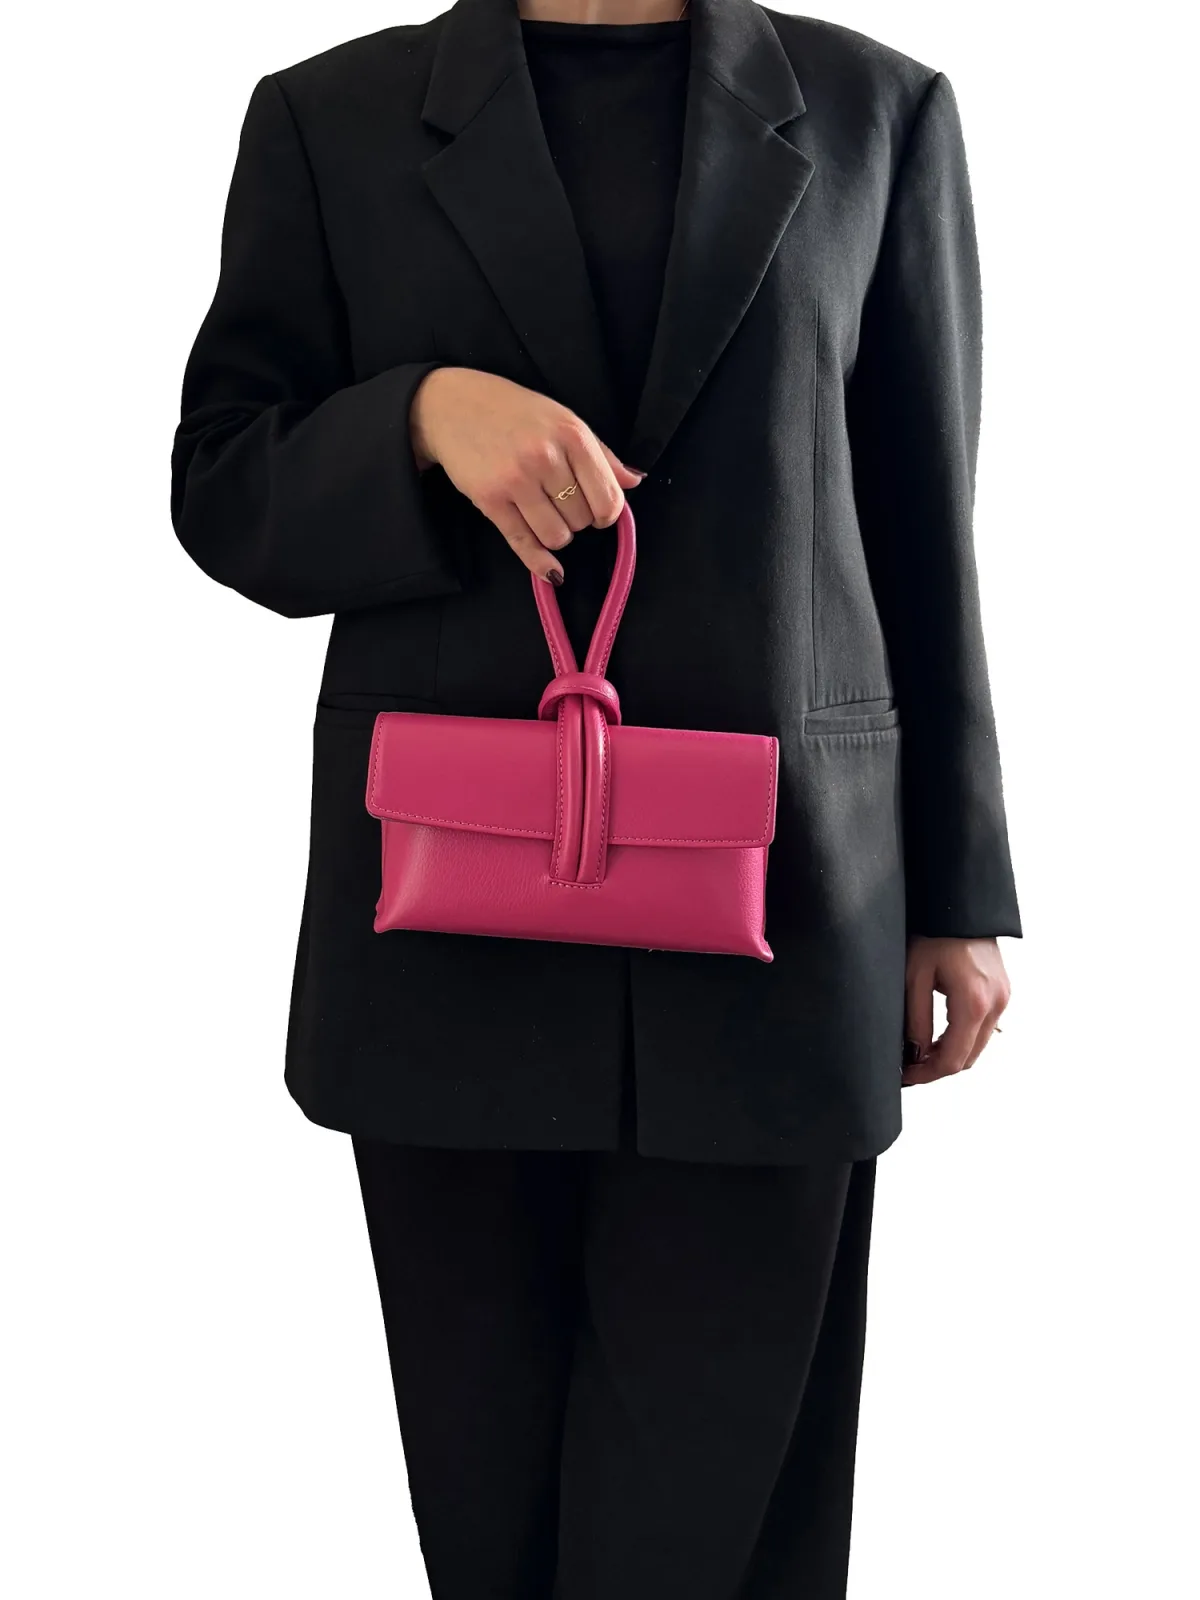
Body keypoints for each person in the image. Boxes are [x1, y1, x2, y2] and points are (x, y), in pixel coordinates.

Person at [171, 0, 1020, 1592]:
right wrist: (419, 418)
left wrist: (957, 888)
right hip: (449, 942)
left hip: (784, 925)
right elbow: (224, 484)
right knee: (491, 1535)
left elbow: (923, 520)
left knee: (726, 1539)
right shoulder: (330, 117)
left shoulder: (875, 112)